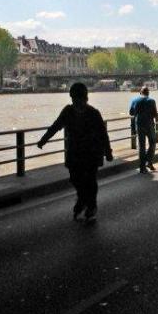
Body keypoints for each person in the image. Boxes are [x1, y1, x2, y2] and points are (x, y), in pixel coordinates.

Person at [37, 82, 113, 222]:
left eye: (77, 99)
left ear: (84, 98)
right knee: (75, 179)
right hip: (75, 153)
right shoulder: (68, 111)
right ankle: (83, 198)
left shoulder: (94, 113)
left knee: (90, 180)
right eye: (74, 99)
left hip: (91, 153)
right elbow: (56, 126)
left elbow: (103, 134)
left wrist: (108, 152)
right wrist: (43, 140)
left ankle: (91, 206)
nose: (75, 102)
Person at [129, 86, 158, 173]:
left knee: (142, 146)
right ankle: (149, 161)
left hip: (139, 125)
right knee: (153, 143)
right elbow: (155, 114)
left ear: (140, 92)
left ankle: (142, 168)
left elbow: (131, 112)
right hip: (149, 125)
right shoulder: (151, 101)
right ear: (148, 93)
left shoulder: (134, 100)